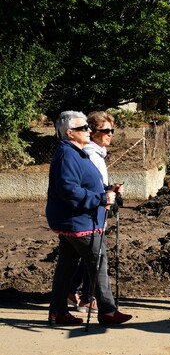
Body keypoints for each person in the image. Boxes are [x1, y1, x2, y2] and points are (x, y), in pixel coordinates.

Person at [46, 110, 131, 325]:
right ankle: (107, 311)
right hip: (79, 221)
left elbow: (86, 182)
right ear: (69, 132)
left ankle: (58, 312)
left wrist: (107, 189)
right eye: (83, 128)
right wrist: (101, 198)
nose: (88, 130)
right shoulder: (68, 154)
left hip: (77, 220)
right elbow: (69, 190)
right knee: (98, 262)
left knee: (67, 267)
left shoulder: (76, 151)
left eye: (88, 127)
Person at [67, 111, 122, 314]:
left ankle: (72, 291)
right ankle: (88, 299)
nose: (110, 134)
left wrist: (110, 188)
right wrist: (105, 197)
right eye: (105, 130)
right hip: (92, 213)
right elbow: (86, 186)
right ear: (93, 132)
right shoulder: (91, 154)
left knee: (87, 256)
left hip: (95, 210)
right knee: (95, 256)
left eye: (111, 130)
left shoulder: (97, 153)